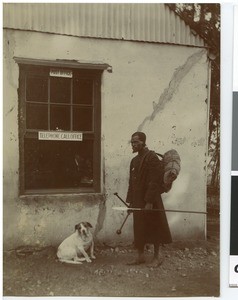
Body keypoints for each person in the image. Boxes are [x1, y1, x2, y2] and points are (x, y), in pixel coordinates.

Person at [126, 131, 172, 267]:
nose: (133, 144)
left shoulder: (152, 157)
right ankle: (140, 256)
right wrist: (130, 202)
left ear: (143, 142)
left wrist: (150, 201)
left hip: (151, 200)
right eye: (132, 142)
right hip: (138, 199)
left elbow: (155, 181)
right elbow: (132, 182)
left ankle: (158, 257)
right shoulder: (134, 161)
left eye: (136, 142)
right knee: (139, 227)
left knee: (154, 226)